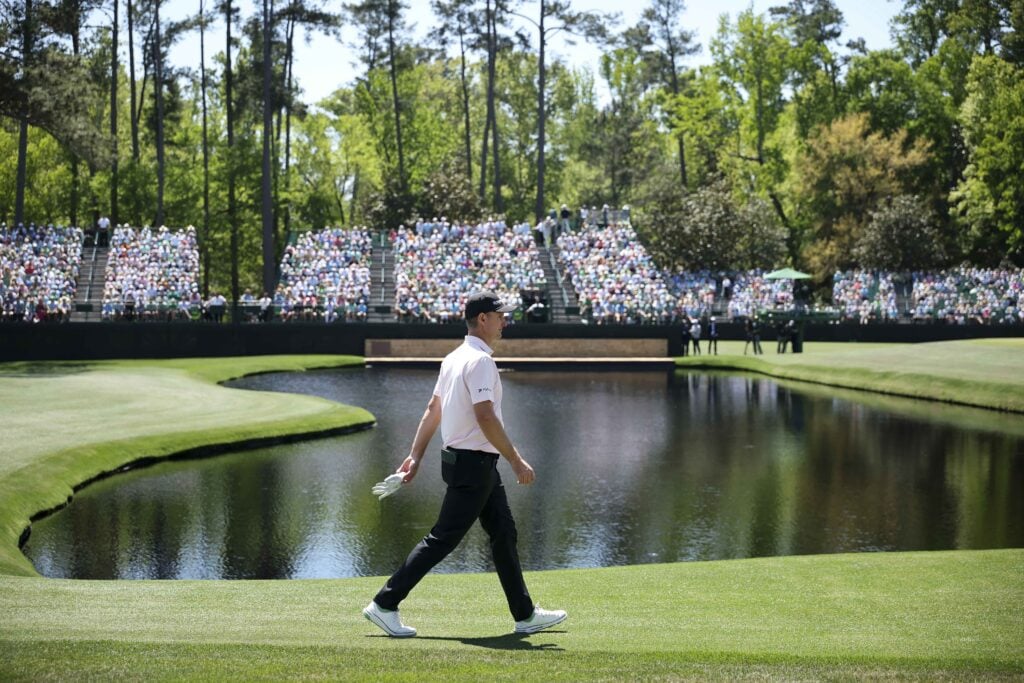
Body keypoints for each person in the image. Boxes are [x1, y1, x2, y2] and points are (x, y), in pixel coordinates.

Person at [363, 290, 567, 638]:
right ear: (483, 319)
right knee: (442, 538)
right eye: (500, 316)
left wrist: (415, 456)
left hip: (471, 464)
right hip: (473, 466)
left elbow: (433, 410)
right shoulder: (480, 362)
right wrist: (516, 460)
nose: (505, 321)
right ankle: (384, 603)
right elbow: (485, 416)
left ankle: (525, 614)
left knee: (503, 532)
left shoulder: (454, 357)